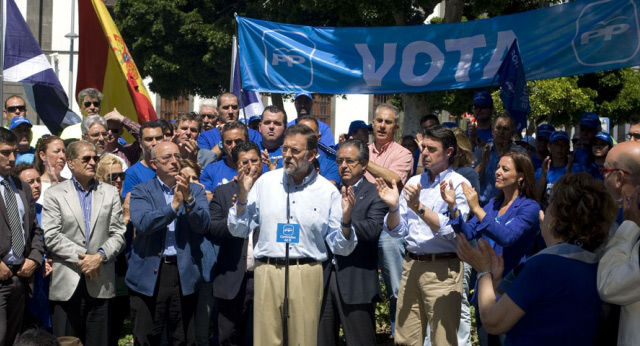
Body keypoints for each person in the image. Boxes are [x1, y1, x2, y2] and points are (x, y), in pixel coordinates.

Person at [228, 124, 357, 346]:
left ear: (312, 154)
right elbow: (238, 229)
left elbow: (341, 247)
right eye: (285, 149)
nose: (287, 155)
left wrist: (346, 220)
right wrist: (242, 197)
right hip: (267, 269)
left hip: (306, 271)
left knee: (304, 340)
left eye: (295, 151)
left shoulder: (327, 191)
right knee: (265, 340)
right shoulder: (266, 183)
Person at [458, 173, 616, 345]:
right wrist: (495, 280)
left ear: (555, 219)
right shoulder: (594, 262)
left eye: (548, 206)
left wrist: (483, 272)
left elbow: (492, 322)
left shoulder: (544, 266)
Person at [376, 125, 470, 346]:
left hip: (443, 269)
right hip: (411, 265)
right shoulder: (413, 182)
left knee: (443, 339)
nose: (425, 153)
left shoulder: (458, 184)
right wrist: (392, 209)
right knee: (405, 338)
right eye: (423, 147)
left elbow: (452, 231)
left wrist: (418, 207)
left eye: (431, 148)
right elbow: (396, 230)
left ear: (448, 152)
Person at [449, 151, 540, 345]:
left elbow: (507, 237)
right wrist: (453, 208)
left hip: (511, 289)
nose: (497, 172)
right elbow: (468, 232)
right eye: (498, 167)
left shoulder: (529, 207)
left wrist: (477, 209)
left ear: (521, 176)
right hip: (486, 287)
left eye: (505, 169)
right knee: (485, 340)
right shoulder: (493, 203)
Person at [42, 140, 126, 346]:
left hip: (101, 281)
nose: (92, 162)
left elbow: (118, 234)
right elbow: (52, 235)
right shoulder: (54, 194)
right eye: (86, 158)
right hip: (67, 282)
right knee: (65, 342)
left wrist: (99, 257)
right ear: (71, 163)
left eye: (95, 158)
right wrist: (85, 260)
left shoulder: (110, 192)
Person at [127, 141, 210, 345]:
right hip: (150, 272)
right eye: (167, 158)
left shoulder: (195, 191)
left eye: (177, 157)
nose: (174, 161)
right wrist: (174, 205)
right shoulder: (141, 191)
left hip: (183, 272)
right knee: (147, 335)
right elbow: (144, 224)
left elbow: (204, 225)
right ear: (154, 164)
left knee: (183, 336)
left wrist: (189, 199)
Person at [318, 139, 388, 346]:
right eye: (340, 161)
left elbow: (373, 229)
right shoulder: (327, 191)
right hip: (325, 278)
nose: (343, 166)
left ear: (364, 164)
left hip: (356, 279)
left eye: (350, 161)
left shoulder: (376, 193)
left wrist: (345, 219)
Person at [363, 103, 413, 335]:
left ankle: (399, 336)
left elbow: (394, 178)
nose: (382, 126)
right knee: (362, 284)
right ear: (372, 124)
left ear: (395, 127)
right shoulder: (362, 149)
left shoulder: (403, 154)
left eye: (388, 122)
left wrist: (363, 162)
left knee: (396, 288)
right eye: (379, 121)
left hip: (388, 226)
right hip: (361, 222)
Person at [210, 142, 263, 346]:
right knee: (227, 336)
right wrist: (235, 217)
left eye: (254, 160)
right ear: (234, 164)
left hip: (263, 275)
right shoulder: (223, 192)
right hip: (232, 277)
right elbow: (213, 228)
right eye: (244, 162)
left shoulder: (273, 189)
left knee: (260, 337)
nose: (251, 166)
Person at [0, 128, 44, 346]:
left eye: (14, 152)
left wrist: (35, 258)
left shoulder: (22, 187)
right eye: (5, 152)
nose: (12, 158)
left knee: (14, 338)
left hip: (20, 278)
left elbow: (35, 228)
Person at [597, 141, 640, 345]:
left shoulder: (631, 220)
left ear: (619, 178)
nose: (601, 176)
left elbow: (609, 286)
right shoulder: (612, 212)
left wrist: (629, 227)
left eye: (605, 170)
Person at [95, 155, 130, 346]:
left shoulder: (124, 199)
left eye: (121, 176)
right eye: (112, 176)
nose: (118, 180)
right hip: (102, 270)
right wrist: (125, 219)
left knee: (117, 319)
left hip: (122, 269)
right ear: (100, 178)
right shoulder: (96, 201)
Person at [475, 114, 525, 206]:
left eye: (506, 129)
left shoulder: (520, 153)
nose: (501, 132)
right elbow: (474, 180)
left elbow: (524, 182)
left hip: (508, 206)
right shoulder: (483, 150)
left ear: (513, 133)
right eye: (498, 128)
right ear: (493, 130)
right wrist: (483, 162)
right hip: (483, 205)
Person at [197, 93, 262, 154]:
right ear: (217, 110)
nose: (230, 111)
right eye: (226, 107)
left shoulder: (253, 135)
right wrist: (222, 143)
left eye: (234, 107)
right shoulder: (205, 137)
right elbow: (204, 162)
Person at [201, 121, 249, 196]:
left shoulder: (260, 169)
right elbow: (206, 198)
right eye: (229, 142)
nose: (233, 146)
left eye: (238, 141)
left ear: (247, 141)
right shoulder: (210, 171)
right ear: (222, 144)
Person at [535, 130, 583, 203]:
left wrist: (568, 172)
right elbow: (536, 197)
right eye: (556, 144)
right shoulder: (541, 171)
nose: (560, 147)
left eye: (563, 144)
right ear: (549, 147)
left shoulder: (576, 169)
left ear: (568, 148)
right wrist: (543, 176)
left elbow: (576, 196)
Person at [121, 121, 166, 198]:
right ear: (140, 143)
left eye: (158, 138)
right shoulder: (132, 173)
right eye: (149, 139)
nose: (154, 143)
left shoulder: (174, 167)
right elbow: (131, 205)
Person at [296, 115, 340, 185]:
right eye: (300, 132)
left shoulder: (330, 166)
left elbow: (327, 191)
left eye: (309, 133)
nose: (304, 136)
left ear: (318, 137)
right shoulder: (287, 161)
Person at [34, 136, 67, 204]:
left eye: (64, 151)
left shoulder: (71, 184)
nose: (62, 156)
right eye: (56, 151)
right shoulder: (36, 185)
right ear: (43, 155)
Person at [258, 105, 287, 171]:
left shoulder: (292, 153)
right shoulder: (250, 152)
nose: (271, 127)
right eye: (267, 122)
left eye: (277, 123)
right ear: (259, 127)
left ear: (285, 129)